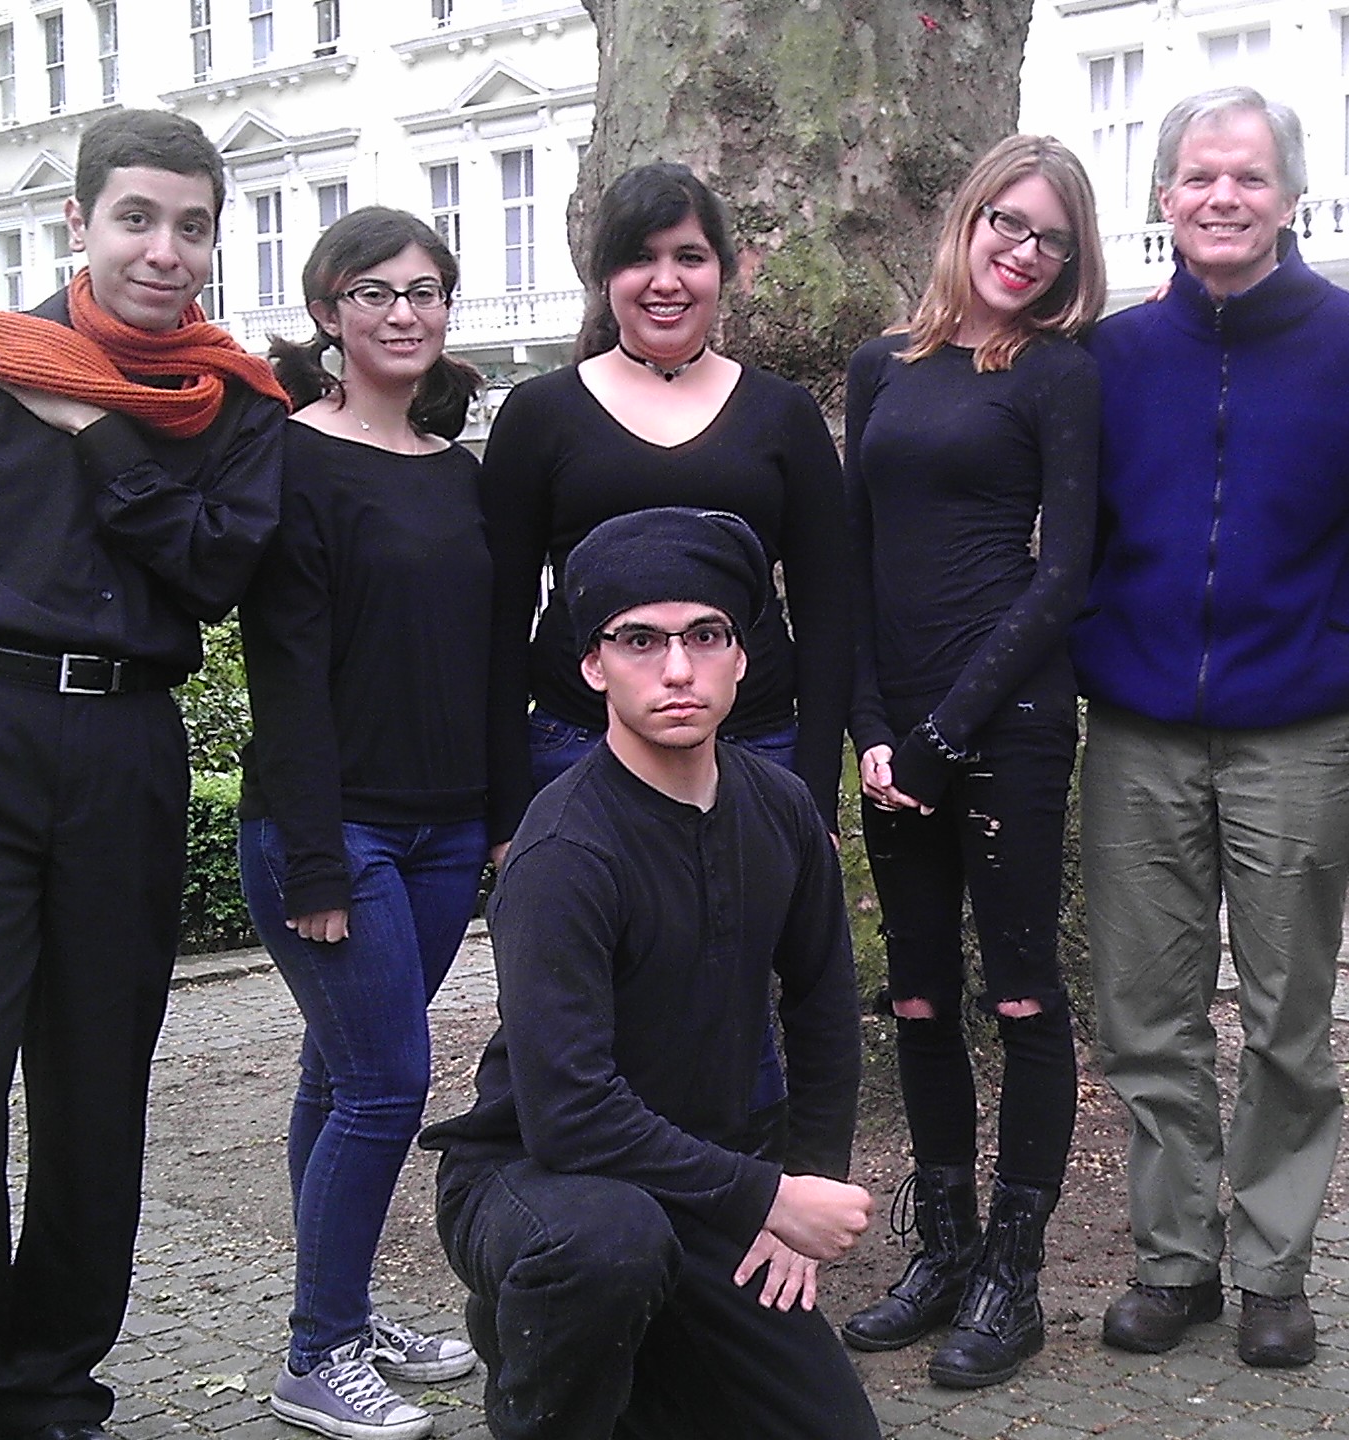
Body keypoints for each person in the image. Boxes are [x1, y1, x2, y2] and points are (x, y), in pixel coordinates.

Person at [0, 109, 286, 1440]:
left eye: (191, 226)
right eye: (136, 218)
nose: (163, 250)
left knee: (95, 1088)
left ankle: (48, 1386)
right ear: (79, 221)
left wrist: (94, 428)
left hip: (125, 745)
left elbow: (213, 570)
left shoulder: (233, 402)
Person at [1076, 85, 1349, 1370]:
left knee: (1288, 1013)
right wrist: (1100, 646)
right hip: (1137, 726)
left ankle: (1274, 1267)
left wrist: (1341, 650)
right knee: (1146, 1012)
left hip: (1297, 725)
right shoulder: (1113, 355)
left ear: (1289, 196)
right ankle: (1173, 1259)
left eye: (1248, 176)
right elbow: (1078, 529)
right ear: (1164, 196)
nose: (1222, 197)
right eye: (1198, 176)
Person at [422, 506, 879, 1440]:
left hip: (699, 1183)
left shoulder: (782, 808)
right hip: (539, 1181)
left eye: (705, 636)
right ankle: (542, 1343)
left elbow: (825, 1009)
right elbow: (570, 1114)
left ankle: (629, 1357)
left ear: (741, 657)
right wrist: (768, 1197)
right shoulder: (563, 850)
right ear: (594, 665)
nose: (678, 669)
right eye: (641, 641)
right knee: (608, 1249)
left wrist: (805, 1181)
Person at [837, 134, 1106, 1389]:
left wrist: (947, 734)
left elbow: (1064, 574)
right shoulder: (881, 365)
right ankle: (941, 1249)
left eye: (1051, 235)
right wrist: (874, 728)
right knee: (917, 997)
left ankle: (1013, 1272)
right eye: (1009, 220)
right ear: (968, 217)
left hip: (1005, 729)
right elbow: (849, 560)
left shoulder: (1058, 373)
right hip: (897, 737)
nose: (1024, 249)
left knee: (1021, 996)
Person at [236, 206, 490, 1440]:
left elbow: (482, 654)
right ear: (329, 312)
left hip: (446, 830)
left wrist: (498, 817)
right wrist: (317, 862)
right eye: (375, 292)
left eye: (424, 290)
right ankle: (316, 1353)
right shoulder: (290, 460)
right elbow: (282, 676)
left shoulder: (458, 470)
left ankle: (342, 1312)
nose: (403, 312)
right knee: (388, 1085)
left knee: (336, 1076)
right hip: (336, 833)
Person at [481, 162, 851, 846]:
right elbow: (500, 619)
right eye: (640, 258)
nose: (666, 281)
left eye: (689, 257)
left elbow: (829, 614)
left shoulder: (785, 414)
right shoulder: (539, 414)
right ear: (605, 277)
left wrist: (817, 799)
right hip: (576, 745)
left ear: (723, 271)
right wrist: (507, 815)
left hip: (756, 749)